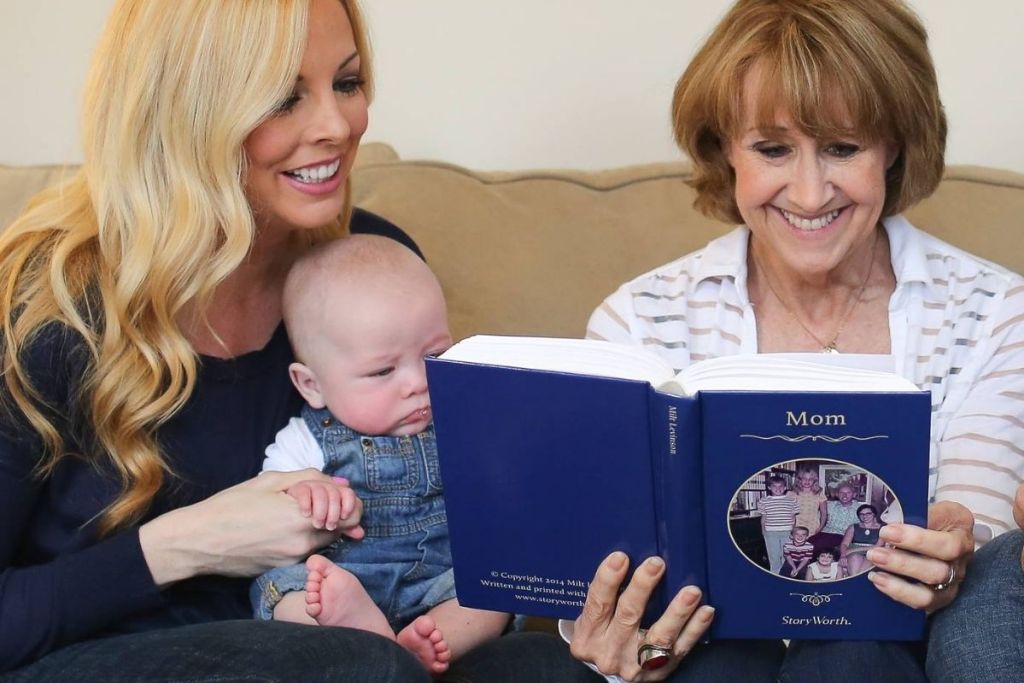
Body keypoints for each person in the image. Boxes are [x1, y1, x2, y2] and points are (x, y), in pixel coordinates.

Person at [0, 2, 579, 680]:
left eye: (347, 82)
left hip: (342, 633)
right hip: (96, 655)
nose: (336, 126)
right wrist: (184, 544)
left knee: (547, 664)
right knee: (357, 665)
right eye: (283, 98)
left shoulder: (366, 267)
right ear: (182, 109)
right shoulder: (45, 302)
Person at [574, 0, 1017, 680]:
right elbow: (611, 583)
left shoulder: (995, 313)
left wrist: (953, 545)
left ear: (894, 145)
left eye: (843, 147)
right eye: (773, 148)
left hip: (892, 659)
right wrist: (623, 641)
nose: (810, 194)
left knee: (852, 653)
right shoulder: (636, 325)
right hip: (705, 662)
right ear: (725, 148)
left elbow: (985, 558)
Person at [250, 234, 509, 674]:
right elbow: (266, 497)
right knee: (285, 591)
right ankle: (358, 631)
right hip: (341, 578)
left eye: (436, 354)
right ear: (311, 385)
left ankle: (422, 648)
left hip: (439, 581)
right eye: (383, 370)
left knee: (496, 590)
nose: (417, 382)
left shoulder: (462, 420)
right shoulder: (305, 440)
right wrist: (308, 490)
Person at [757, 476, 799, 574]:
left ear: (785, 488)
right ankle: (775, 573)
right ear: (769, 487)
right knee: (773, 555)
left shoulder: (791, 500)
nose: (778, 488)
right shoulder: (764, 501)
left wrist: (793, 531)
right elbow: (763, 518)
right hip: (771, 532)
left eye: (781, 486)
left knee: (786, 554)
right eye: (774, 486)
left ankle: (785, 573)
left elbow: (793, 518)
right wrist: (763, 531)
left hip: (787, 531)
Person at [812, 482, 865, 555]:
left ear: (854, 494)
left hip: (843, 535)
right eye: (841, 492)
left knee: (819, 546)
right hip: (825, 532)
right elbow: (816, 513)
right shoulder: (830, 505)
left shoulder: (860, 509)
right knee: (807, 544)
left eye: (848, 492)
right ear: (837, 494)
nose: (845, 495)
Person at [839, 505, 886, 578]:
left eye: (868, 513)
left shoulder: (882, 528)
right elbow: (844, 544)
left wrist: (852, 550)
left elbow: (878, 546)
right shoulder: (853, 527)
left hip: (872, 553)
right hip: (854, 554)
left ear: (874, 514)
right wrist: (843, 555)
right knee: (855, 558)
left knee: (863, 570)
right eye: (861, 514)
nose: (864, 516)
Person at [790, 468, 828, 536]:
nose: (807, 481)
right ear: (799, 480)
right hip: (796, 527)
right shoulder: (792, 494)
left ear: (814, 481)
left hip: (813, 528)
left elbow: (824, 513)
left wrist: (821, 527)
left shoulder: (819, 494)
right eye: (804, 478)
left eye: (810, 479)